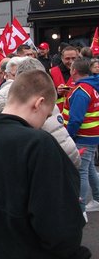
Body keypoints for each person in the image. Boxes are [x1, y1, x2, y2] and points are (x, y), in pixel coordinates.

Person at [0, 70, 91, 259]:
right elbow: (60, 224)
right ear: (39, 103)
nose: (43, 122)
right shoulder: (39, 143)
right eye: (47, 116)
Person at [63, 58, 99, 220]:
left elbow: (76, 119)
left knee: (81, 172)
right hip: (91, 136)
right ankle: (97, 198)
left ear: (74, 71)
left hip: (82, 136)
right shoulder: (91, 87)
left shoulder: (81, 91)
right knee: (90, 168)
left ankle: (80, 209)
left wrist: (68, 136)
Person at [50, 45, 78, 112]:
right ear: (62, 58)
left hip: (77, 113)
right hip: (57, 114)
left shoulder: (83, 72)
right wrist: (57, 92)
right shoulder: (52, 72)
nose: (71, 62)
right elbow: (46, 95)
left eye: (74, 58)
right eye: (67, 59)